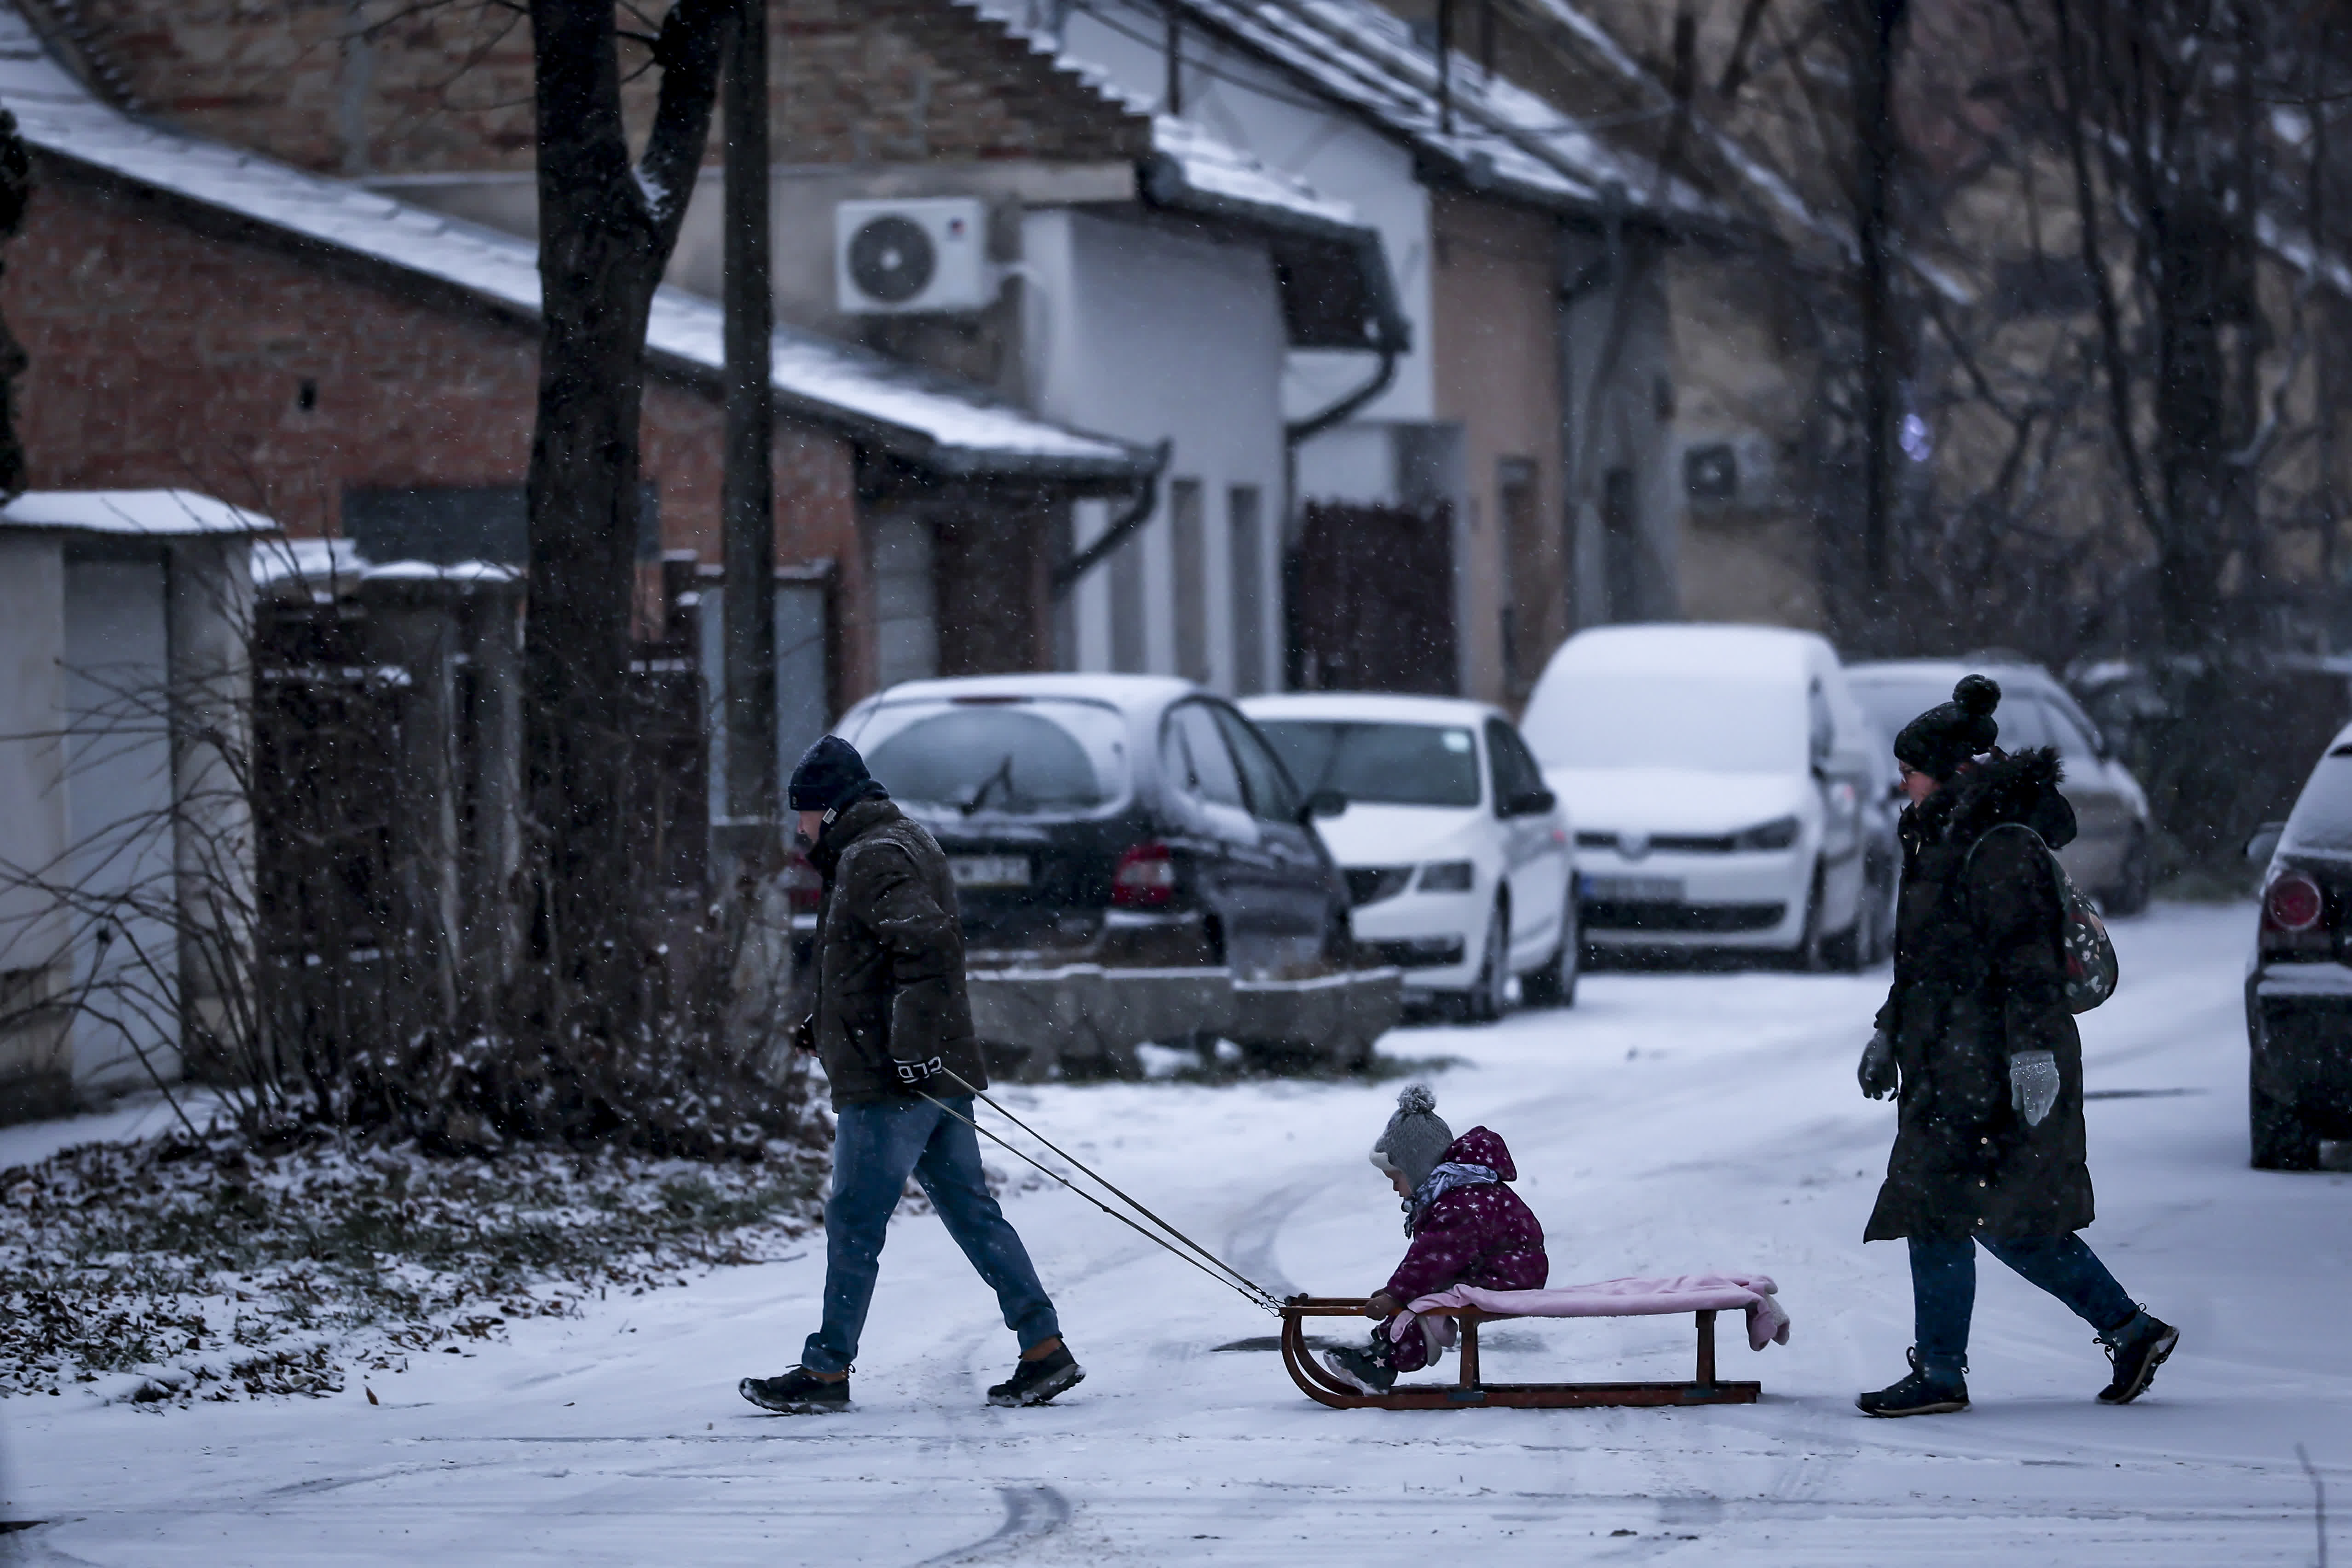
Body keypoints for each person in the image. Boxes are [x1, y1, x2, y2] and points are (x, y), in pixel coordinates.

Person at [1855, 674, 2175, 1417]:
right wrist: (1886, 1029)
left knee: (1983, 1214)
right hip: (1949, 1059)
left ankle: (1950, 1370)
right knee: (1978, 1214)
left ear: (1941, 770)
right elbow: (1927, 961)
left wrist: (2030, 1057)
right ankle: (2123, 1332)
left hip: (1993, 1065)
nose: (1899, 782)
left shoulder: (1996, 846)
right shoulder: (1937, 835)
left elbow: (2028, 965)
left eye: (1908, 768)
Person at [739, 736, 1082, 1414]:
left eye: (803, 815)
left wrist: (911, 1049)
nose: (798, 829)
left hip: (895, 1082)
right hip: (927, 1070)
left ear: (829, 812)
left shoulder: (871, 859)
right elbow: (879, 965)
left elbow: (925, 947)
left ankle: (827, 1371)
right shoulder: (895, 843)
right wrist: (829, 1025)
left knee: (854, 1222)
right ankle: (1044, 1349)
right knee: (972, 1213)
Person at [1323, 1085, 1548, 1395]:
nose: (1395, 1189)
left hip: (1509, 1275)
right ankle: (1380, 1354)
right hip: (1498, 1269)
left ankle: (1384, 1364)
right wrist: (1398, 1291)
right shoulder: (1459, 1194)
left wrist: (1397, 1294)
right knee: (1422, 1293)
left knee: (1425, 1301)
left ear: (1417, 1170)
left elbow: (1432, 1258)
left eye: (1396, 1179)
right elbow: (1433, 1258)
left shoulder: (1461, 1202)